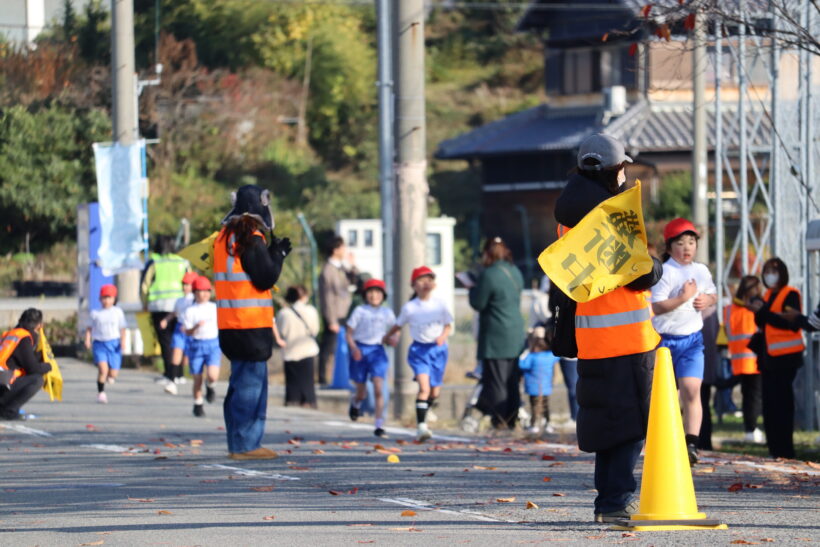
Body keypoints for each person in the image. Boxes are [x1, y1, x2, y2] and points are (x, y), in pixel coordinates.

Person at [554, 133, 663, 523]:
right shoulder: (611, 216)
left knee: (606, 421)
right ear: (613, 170)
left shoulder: (568, 217)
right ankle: (616, 501)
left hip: (591, 334)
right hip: (627, 335)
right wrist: (658, 265)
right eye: (623, 168)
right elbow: (640, 275)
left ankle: (609, 500)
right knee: (630, 425)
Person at [214, 184, 291, 460]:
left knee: (239, 385)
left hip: (229, 325)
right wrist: (279, 255)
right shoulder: (250, 237)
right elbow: (265, 277)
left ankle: (240, 441)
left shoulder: (223, 238)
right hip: (250, 326)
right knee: (251, 388)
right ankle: (246, 445)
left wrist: (271, 252)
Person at [650, 218, 717, 465]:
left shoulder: (701, 270)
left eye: (691, 242)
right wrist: (683, 298)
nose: (687, 247)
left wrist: (707, 301)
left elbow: (713, 293)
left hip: (692, 341)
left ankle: (691, 444)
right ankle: (666, 441)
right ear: (669, 247)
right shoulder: (664, 272)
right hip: (664, 343)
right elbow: (656, 307)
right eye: (680, 242)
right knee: (667, 396)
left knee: (691, 390)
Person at [383, 266, 453, 442]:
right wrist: (387, 336)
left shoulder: (440, 304)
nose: (425, 283)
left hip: (438, 350)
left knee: (435, 392)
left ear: (434, 284)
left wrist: (442, 337)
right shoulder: (410, 308)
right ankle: (421, 427)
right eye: (421, 280)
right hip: (419, 351)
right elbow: (398, 325)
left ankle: (427, 409)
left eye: (429, 279)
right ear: (414, 285)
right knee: (424, 388)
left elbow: (448, 325)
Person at [748, 257, 804, 459]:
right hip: (768, 358)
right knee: (770, 405)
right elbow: (763, 321)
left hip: (786, 358)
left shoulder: (791, 295)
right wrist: (757, 310)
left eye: (774, 270)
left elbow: (791, 323)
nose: (770, 275)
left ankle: (785, 450)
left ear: (782, 272)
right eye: (767, 271)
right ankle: (774, 449)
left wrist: (763, 311)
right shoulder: (767, 295)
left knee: (783, 405)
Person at [469, 237, 525, 430]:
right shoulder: (515, 271)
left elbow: (478, 303)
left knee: (497, 381)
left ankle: (499, 420)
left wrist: (471, 288)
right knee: (512, 380)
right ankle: (512, 419)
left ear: (487, 253)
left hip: (496, 335)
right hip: (516, 334)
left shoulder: (489, 274)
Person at [346, 278, 396, 437]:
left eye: (378, 292)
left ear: (383, 295)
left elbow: (396, 330)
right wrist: (354, 348)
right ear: (365, 295)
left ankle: (379, 424)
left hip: (378, 351)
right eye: (370, 292)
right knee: (362, 392)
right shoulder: (360, 311)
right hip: (360, 350)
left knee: (378, 388)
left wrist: (394, 339)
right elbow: (349, 333)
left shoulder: (387, 312)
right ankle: (356, 403)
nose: (374, 295)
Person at [141, 234, 191, 385]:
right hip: (181, 305)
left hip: (159, 306)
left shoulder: (154, 262)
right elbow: (191, 280)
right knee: (179, 340)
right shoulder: (183, 262)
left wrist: (144, 302)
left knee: (166, 341)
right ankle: (180, 374)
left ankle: (169, 374)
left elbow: (145, 285)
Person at [724, 275, 764, 443]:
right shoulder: (755, 308)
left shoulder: (729, 309)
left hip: (738, 360)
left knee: (747, 396)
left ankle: (750, 429)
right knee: (755, 396)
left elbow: (727, 332)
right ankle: (752, 429)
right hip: (755, 359)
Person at [317, 236, 359, 387]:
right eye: (342, 247)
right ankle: (323, 378)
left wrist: (353, 266)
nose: (344, 250)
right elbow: (326, 297)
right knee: (329, 347)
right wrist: (331, 320)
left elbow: (353, 282)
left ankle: (344, 375)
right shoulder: (328, 270)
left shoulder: (341, 268)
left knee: (342, 347)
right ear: (335, 249)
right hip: (334, 314)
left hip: (344, 313)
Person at [0, 309, 51, 419]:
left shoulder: (10, 334)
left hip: (2, 380)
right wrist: (48, 366)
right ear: (38, 325)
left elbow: (20, 360)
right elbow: (33, 369)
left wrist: (38, 356)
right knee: (37, 379)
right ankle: (9, 410)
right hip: (2, 385)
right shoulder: (23, 338)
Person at [182, 276, 221, 417]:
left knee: (212, 375)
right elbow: (186, 331)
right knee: (197, 378)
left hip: (213, 344)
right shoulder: (190, 311)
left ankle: (210, 386)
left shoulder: (215, 307)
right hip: (196, 345)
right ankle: (198, 403)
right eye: (199, 291)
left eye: (206, 291)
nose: (203, 294)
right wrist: (195, 328)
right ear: (194, 292)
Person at [276, 285, 320, 409]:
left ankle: (292, 401)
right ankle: (308, 402)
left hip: (290, 351)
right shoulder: (311, 310)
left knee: (292, 382)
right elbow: (315, 330)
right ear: (304, 296)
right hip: (307, 349)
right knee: (308, 382)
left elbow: (280, 332)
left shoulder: (283, 313)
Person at [84, 284, 127, 404]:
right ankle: (101, 393)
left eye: (109, 298)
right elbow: (89, 328)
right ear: (100, 299)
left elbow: (122, 329)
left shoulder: (117, 312)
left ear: (114, 299)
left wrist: (123, 342)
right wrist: (87, 340)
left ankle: (110, 376)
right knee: (103, 370)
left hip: (114, 344)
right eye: (104, 297)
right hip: (99, 344)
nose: (106, 300)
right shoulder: (95, 313)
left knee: (113, 373)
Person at [161, 271, 199, 395]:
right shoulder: (180, 300)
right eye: (183, 284)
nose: (185, 287)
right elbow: (175, 313)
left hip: (194, 331)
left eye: (188, 284)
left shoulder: (196, 300)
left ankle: (200, 383)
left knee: (189, 360)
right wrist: (166, 320)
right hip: (180, 329)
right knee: (176, 353)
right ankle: (171, 381)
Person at [518, 325, 560, 435]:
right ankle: (547, 424)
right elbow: (558, 356)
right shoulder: (550, 356)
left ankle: (534, 425)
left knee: (534, 407)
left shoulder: (531, 357)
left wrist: (524, 354)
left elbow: (522, 365)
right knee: (545, 406)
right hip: (546, 387)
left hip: (533, 387)